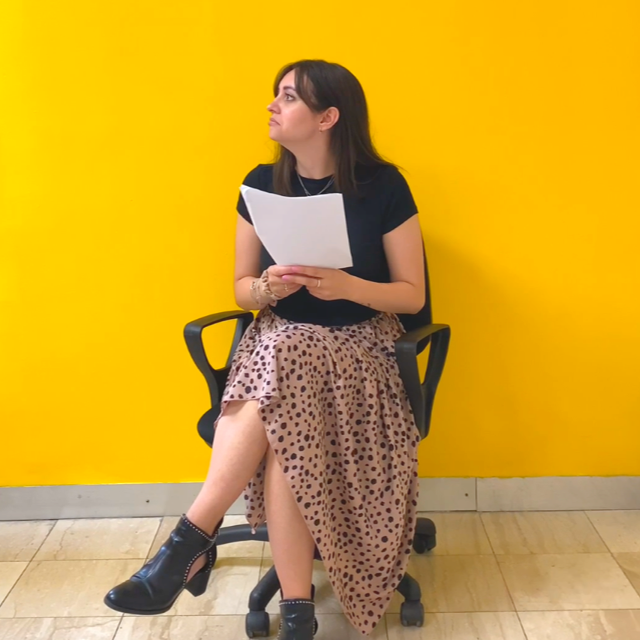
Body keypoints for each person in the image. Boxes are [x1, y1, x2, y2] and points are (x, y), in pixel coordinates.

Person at [104, 59, 424, 640]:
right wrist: (267, 289)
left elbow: (411, 294)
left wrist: (347, 286)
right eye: (276, 94)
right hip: (279, 348)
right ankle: (295, 613)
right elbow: (242, 288)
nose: (273, 106)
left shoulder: (383, 186)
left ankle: (189, 543)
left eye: (289, 97)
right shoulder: (260, 183)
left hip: (359, 348)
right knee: (287, 394)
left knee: (285, 380)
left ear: (328, 117)